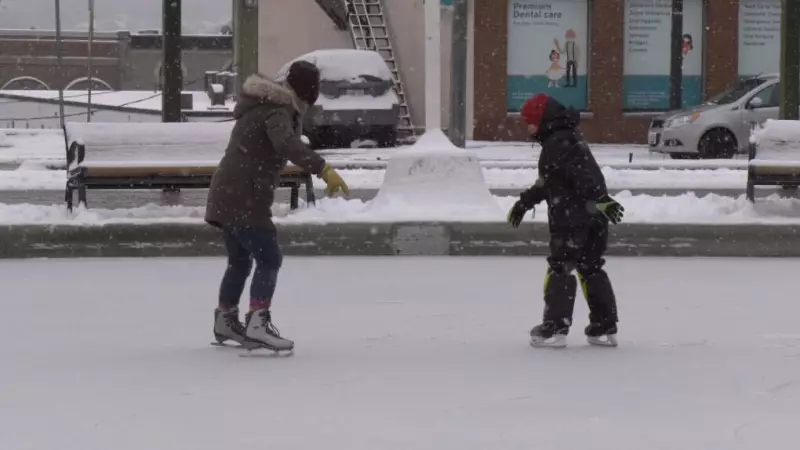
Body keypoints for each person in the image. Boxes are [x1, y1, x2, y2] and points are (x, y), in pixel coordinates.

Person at [205, 61, 350, 352]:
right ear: (306, 88)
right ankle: (257, 323)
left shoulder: (267, 103)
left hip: (228, 190)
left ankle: (226, 319)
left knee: (240, 260)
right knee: (269, 258)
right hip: (245, 194)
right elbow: (285, 144)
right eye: (314, 88)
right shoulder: (278, 109)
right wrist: (322, 168)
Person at [507, 93, 624, 348]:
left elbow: (579, 178)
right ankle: (604, 325)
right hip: (593, 217)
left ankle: (555, 327)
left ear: (541, 120)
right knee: (591, 268)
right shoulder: (570, 137)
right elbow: (554, 181)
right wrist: (524, 202)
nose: (528, 128)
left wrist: (600, 199)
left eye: (530, 122)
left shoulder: (556, 144)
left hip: (573, 219)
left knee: (560, 268)